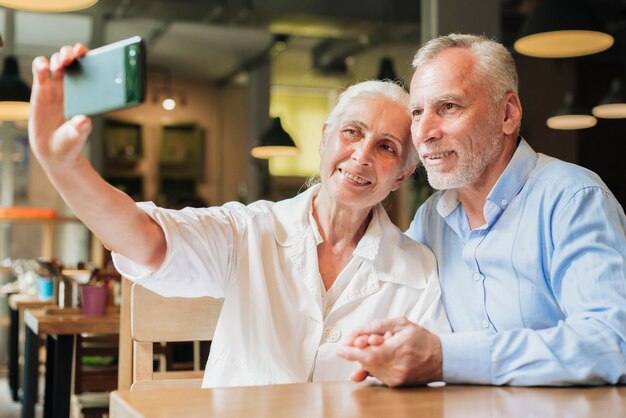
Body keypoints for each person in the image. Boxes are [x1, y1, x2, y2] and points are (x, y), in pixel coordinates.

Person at [28, 44, 449, 387]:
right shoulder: (251, 229)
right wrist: (63, 166)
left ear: (403, 175)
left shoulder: (419, 271)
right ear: (324, 139)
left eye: (386, 147)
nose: (361, 156)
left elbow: (429, 384)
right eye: (352, 132)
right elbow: (145, 239)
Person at [338, 33, 626, 386]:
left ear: (507, 114)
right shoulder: (430, 219)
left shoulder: (573, 198)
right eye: (417, 112)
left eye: (448, 107)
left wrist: (444, 358)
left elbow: (611, 342)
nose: (424, 132)